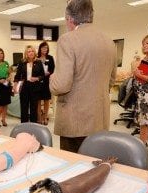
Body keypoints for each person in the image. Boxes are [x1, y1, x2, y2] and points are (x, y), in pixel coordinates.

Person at [49, 0, 117, 153]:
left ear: (69, 18)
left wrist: (52, 80)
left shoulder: (68, 40)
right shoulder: (109, 42)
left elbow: (61, 85)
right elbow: (111, 80)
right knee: (93, 164)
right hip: (99, 119)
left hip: (75, 121)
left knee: (73, 168)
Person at [13, 45, 45, 123]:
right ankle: (24, 126)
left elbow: (43, 75)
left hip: (35, 88)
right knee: (24, 108)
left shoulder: (38, 62)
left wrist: (36, 78)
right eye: (29, 51)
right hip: (24, 87)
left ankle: (33, 126)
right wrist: (15, 85)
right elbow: (17, 75)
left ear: (34, 52)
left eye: (32, 51)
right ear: (26, 53)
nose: (31, 53)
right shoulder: (22, 62)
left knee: (34, 109)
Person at [37, 41, 55, 125]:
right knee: (38, 100)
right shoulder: (37, 58)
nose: (45, 49)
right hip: (38, 81)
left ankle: (45, 117)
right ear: (40, 48)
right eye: (43, 47)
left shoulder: (50, 57)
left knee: (47, 100)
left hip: (47, 81)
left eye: (46, 48)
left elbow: (52, 69)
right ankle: (39, 118)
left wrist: (49, 72)